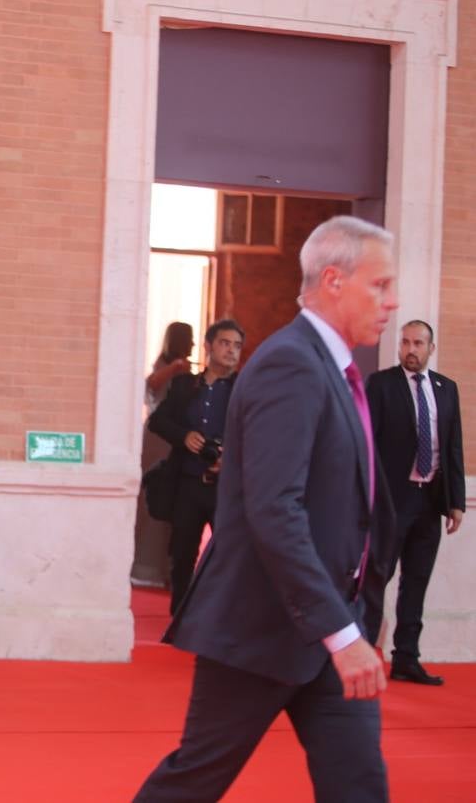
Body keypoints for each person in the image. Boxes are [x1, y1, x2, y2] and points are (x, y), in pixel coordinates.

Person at [134, 215, 398, 801]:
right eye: (380, 285)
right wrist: (339, 631)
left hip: (329, 628)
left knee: (359, 784)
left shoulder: (333, 368)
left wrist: (350, 619)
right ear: (334, 280)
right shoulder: (291, 364)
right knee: (195, 780)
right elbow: (274, 509)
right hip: (264, 628)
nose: (393, 301)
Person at [365, 319, 465, 686]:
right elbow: (367, 444)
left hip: (430, 501)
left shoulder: (446, 389)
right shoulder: (381, 384)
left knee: (416, 581)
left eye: (418, 343)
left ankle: (406, 658)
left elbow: (452, 448)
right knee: (378, 578)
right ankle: (362, 654)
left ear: (430, 349)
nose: (411, 349)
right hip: (392, 500)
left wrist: (456, 503)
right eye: (405, 342)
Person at [146, 320, 244, 613]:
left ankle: (221, 618)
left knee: (229, 554)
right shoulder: (184, 385)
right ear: (209, 346)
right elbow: (157, 421)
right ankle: (180, 618)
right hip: (187, 482)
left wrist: (231, 456)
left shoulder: (243, 389)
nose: (231, 351)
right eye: (225, 344)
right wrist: (183, 436)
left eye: (237, 346)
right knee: (182, 554)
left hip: (226, 488)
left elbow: (259, 430)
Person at [132, 321, 194, 589]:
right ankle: (146, 567)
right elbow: (150, 387)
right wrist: (174, 369)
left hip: (174, 439)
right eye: (189, 339)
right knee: (153, 499)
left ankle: (167, 568)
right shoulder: (167, 365)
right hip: (158, 440)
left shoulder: (187, 368)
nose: (192, 345)